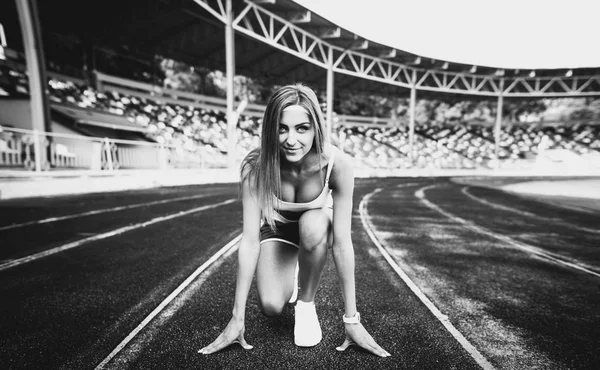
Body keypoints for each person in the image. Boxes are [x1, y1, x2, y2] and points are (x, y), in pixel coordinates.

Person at [199, 83, 390, 358]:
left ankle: (306, 302)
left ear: (316, 129)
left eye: (302, 128)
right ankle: (294, 267)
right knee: (271, 306)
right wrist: (236, 317)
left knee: (311, 226)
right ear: (270, 129)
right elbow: (250, 241)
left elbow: (343, 245)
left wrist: (352, 319)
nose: (291, 139)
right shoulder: (255, 166)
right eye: (281, 128)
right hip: (278, 230)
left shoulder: (338, 165)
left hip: (317, 229)